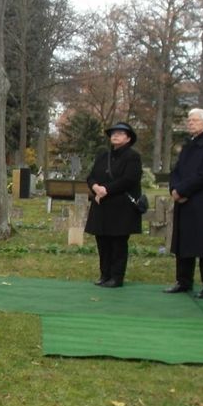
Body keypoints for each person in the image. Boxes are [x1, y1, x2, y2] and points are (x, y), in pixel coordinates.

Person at [163, 108, 203, 299]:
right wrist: (174, 189)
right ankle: (183, 280)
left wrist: (183, 190)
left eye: (195, 120)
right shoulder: (188, 145)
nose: (190, 123)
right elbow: (177, 171)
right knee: (184, 243)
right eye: (189, 120)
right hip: (184, 201)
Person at [83, 122, 143, 288]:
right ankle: (104, 274)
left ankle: (116, 277)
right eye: (113, 133)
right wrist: (95, 187)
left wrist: (106, 189)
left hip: (121, 207)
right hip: (102, 205)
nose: (115, 135)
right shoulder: (103, 155)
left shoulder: (132, 157)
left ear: (128, 138)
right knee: (102, 241)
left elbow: (129, 179)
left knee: (118, 243)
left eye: (121, 133)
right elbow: (91, 176)